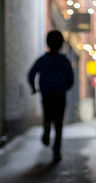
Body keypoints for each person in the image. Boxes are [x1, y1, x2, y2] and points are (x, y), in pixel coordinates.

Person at [28, 30, 74, 162]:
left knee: (48, 115)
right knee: (59, 123)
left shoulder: (42, 60)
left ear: (47, 43)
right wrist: (65, 87)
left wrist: (33, 87)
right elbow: (71, 78)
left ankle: (47, 127)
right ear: (61, 45)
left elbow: (31, 73)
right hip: (60, 94)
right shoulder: (64, 60)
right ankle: (56, 151)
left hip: (46, 94)